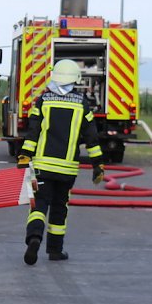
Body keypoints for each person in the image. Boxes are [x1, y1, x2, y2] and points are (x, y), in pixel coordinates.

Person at [16, 59, 105, 265]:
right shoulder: (82, 104)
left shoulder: (43, 101)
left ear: (54, 76)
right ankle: (55, 250)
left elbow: (33, 132)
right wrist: (97, 164)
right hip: (67, 170)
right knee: (59, 207)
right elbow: (92, 138)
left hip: (43, 167)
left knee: (39, 204)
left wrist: (24, 156)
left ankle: (34, 238)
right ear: (76, 79)